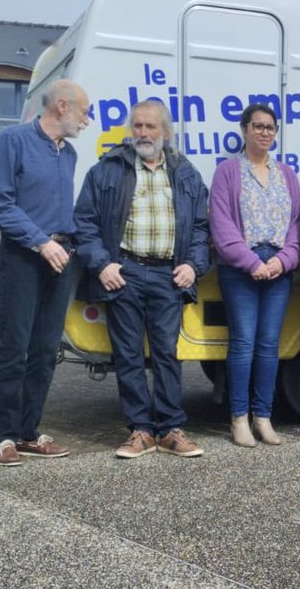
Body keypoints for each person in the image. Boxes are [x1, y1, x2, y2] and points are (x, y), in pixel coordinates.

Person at [75, 101, 210, 459]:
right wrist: (103, 264)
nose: (143, 133)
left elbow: (200, 227)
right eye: (137, 126)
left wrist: (193, 266)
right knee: (128, 354)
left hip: (170, 275)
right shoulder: (106, 170)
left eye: (151, 127)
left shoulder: (186, 173)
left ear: (165, 132)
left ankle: (170, 429)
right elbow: (84, 223)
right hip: (125, 273)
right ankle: (140, 430)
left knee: (167, 353)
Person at [0, 79, 89, 466]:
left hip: (62, 258)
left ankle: (28, 432)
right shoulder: (13, 140)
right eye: (84, 111)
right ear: (62, 106)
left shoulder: (70, 153)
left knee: (45, 350)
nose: (87, 119)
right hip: (26, 256)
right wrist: (41, 242)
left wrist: (68, 247)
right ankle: (3, 435)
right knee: (15, 347)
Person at [209, 104, 300, 448]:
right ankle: (239, 418)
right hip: (240, 267)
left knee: (268, 347)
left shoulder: (287, 175)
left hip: (278, 266)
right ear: (245, 130)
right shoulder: (228, 172)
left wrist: (284, 260)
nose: (264, 132)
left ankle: (263, 417)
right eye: (258, 126)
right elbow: (221, 225)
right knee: (243, 344)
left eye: (270, 127)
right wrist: (251, 263)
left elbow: (296, 225)